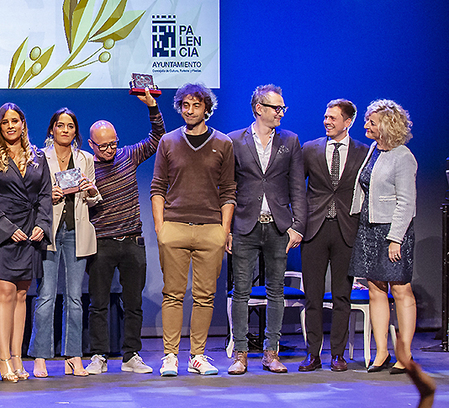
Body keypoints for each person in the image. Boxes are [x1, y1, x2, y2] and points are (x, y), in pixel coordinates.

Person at [151, 83, 235, 377]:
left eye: (196, 105)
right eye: (185, 105)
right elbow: (158, 187)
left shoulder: (223, 143)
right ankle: (170, 356)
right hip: (174, 226)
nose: (189, 110)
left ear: (207, 109)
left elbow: (229, 191)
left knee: (205, 296)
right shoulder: (168, 142)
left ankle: (197, 356)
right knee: (172, 294)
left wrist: (223, 231)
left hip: (210, 228)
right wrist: (161, 228)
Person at [226, 85, 307, 375]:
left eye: (282, 108)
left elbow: (298, 186)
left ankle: (271, 352)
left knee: (276, 291)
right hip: (244, 225)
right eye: (276, 108)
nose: (281, 112)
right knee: (241, 292)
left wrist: (297, 226)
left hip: (278, 226)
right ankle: (240, 354)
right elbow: (227, 188)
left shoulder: (290, 141)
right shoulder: (235, 140)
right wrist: (227, 229)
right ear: (259, 108)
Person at [85, 89, 164, 375]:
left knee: (133, 303)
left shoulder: (127, 155)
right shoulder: (85, 167)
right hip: (101, 244)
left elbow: (157, 139)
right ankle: (98, 355)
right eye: (103, 146)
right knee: (98, 304)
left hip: (132, 241)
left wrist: (152, 107)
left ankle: (131, 355)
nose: (109, 150)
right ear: (92, 144)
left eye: (112, 144)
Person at [0, 103, 52, 382]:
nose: (11, 126)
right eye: (5, 122)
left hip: (30, 233)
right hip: (1, 234)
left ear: (23, 125)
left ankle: (18, 357)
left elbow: (45, 195)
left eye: (15, 121)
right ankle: (3, 357)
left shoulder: (38, 158)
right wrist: (8, 229)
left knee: (22, 295)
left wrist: (42, 226)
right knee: (5, 294)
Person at [300, 99, 369, 372]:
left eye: (333, 118)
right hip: (314, 229)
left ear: (348, 122)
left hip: (346, 230)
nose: (327, 121)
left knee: (342, 296)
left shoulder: (363, 152)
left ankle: (338, 355)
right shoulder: (310, 149)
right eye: (326, 117)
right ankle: (312, 354)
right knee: (313, 297)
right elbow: (297, 187)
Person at [349, 99, 418, 374]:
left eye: (371, 122)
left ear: (387, 125)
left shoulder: (403, 157)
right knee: (376, 290)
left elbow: (406, 202)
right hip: (368, 228)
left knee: (400, 290)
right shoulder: (374, 150)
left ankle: (405, 354)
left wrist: (395, 238)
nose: (366, 125)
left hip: (393, 230)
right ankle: (381, 353)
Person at [29, 108, 99, 377]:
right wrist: (49, 196)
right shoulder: (39, 158)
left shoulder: (85, 159)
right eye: (60, 126)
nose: (66, 130)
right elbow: (31, 196)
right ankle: (40, 357)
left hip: (76, 232)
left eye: (70, 126)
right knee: (46, 296)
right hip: (49, 230)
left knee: (75, 298)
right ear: (52, 129)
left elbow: (93, 197)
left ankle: (74, 356)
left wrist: (92, 191)